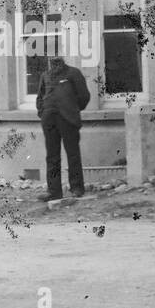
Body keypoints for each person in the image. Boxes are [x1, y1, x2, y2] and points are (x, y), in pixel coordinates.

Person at [35, 55, 90, 203]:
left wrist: (72, 109)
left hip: (68, 119)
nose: (54, 61)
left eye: (57, 59)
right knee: (52, 157)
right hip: (49, 120)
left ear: (62, 60)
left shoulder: (73, 73)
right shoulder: (45, 75)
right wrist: (43, 112)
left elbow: (84, 96)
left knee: (73, 154)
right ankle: (54, 192)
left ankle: (77, 188)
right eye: (52, 60)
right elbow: (40, 97)